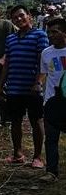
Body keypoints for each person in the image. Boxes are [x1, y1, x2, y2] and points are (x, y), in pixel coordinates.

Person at [0, 5, 49, 167]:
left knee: (37, 121)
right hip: (14, 87)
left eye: (21, 16)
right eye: (15, 18)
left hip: (33, 88)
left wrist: (38, 82)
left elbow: (43, 61)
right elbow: (7, 64)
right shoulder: (11, 38)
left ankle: (38, 157)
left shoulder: (40, 35)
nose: (19, 19)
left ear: (29, 16)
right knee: (15, 121)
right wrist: (0, 85)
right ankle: (17, 154)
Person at [39, 18, 66, 180]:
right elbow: (44, 75)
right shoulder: (46, 52)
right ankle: (51, 171)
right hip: (51, 102)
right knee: (51, 138)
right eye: (49, 32)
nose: (51, 35)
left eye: (55, 31)